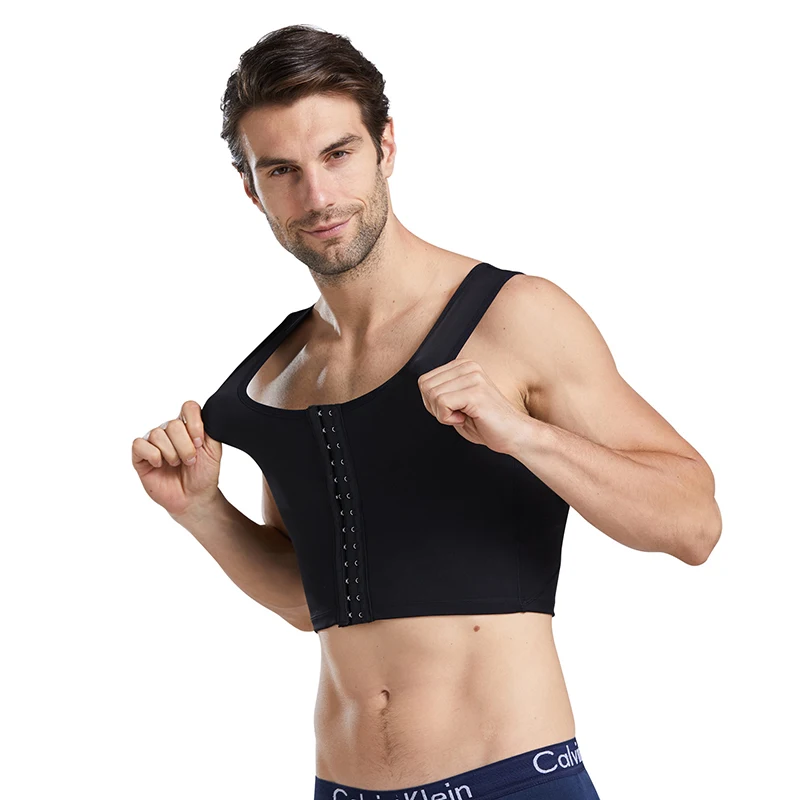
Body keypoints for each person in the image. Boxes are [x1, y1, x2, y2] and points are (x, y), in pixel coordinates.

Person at [131, 24, 721, 800]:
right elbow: (310, 603)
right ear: (252, 189)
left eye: (338, 154)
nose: (318, 196)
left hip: (512, 781)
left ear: (385, 146)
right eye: (282, 170)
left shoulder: (512, 317)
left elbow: (694, 524)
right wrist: (203, 512)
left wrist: (525, 437)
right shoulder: (281, 374)